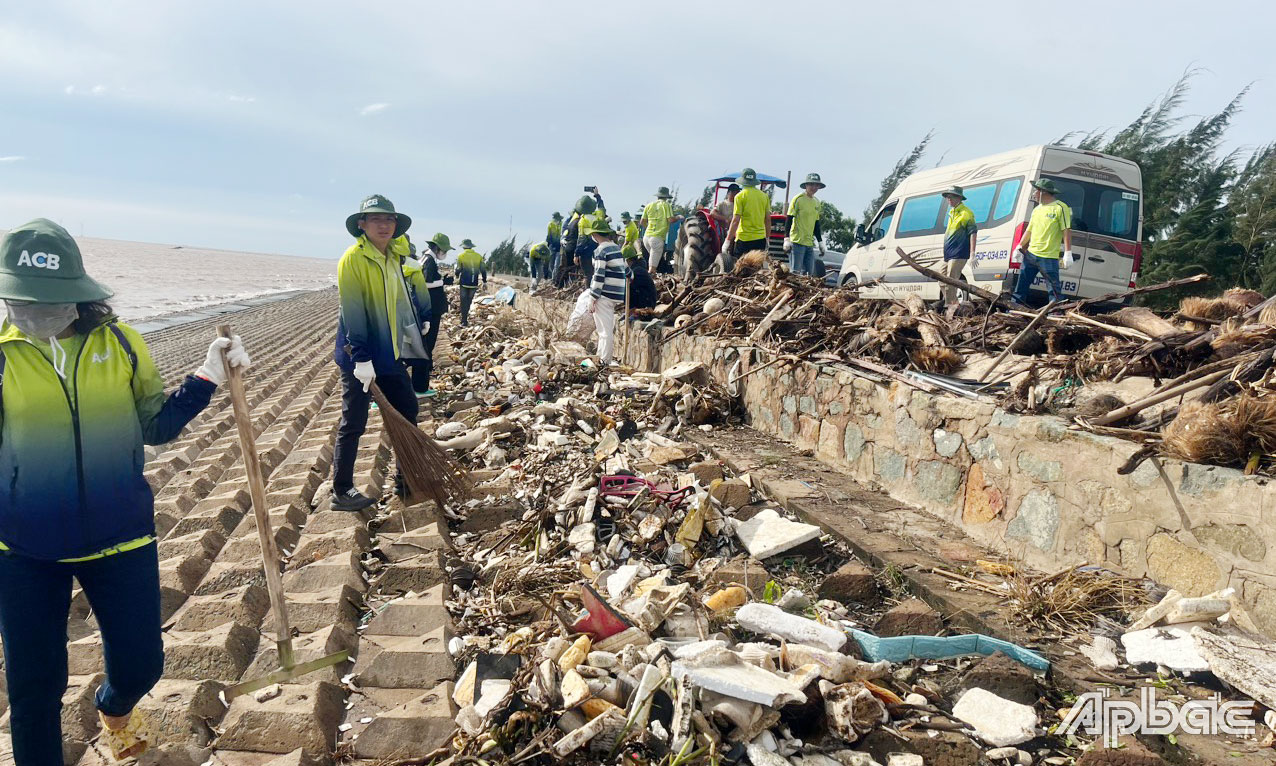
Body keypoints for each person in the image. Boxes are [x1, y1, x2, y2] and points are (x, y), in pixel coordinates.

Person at [0, 218, 250, 762]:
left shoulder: (122, 344)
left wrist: (207, 376)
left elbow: (155, 426)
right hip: (24, 549)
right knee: (33, 690)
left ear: (77, 295)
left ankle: (115, 704)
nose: (35, 311)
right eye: (23, 299)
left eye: (48, 298)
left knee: (143, 664)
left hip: (120, 535)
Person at [332, 194, 428, 512]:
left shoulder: (391, 258)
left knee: (407, 410)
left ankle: (406, 478)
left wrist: (416, 326)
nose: (383, 225)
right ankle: (342, 490)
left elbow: (399, 303)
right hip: (358, 355)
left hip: (388, 356)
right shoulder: (353, 259)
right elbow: (354, 312)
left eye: (388, 220)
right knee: (354, 422)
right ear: (362, 224)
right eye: (375, 219)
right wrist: (360, 358)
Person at [1011, 179, 1072, 306]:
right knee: (1021, 286)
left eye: (1036, 190)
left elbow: (1066, 230)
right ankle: (1014, 309)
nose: (1034, 193)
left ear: (1043, 191)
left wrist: (1068, 252)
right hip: (1031, 254)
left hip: (1048, 256)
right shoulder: (1037, 209)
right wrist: (1019, 246)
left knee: (1054, 289)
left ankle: (1056, 313)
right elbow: (1029, 230)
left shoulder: (1060, 207)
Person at [583, 218, 629, 365]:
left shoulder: (600, 251)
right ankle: (601, 358)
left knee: (604, 331)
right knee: (605, 329)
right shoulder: (616, 248)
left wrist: (592, 297)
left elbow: (599, 274)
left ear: (595, 235)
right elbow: (628, 271)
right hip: (616, 295)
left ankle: (604, 361)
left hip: (603, 294)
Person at [398, 236, 435, 397]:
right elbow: (422, 296)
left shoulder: (378, 264)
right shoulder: (414, 267)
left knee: (390, 357)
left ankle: (382, 396)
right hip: (411, 318)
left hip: (387, 320)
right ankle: (419, 389)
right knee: (420, 356)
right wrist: (426, 318)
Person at [416, 232, 452, 397]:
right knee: (426, 346)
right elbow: (426, 283)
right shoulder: (428, 260)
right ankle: (420, 387)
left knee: (425, 346)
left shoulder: (425, 259)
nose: (444, 254)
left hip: (429, 308)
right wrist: (444, 281)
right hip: (432, 309)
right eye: (444, 250)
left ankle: (421, 383)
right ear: (438, 248)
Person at [722, 167, 770, 271]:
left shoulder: (740, 196)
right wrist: (767, 238)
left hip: (744, 239)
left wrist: (727, 241)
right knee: (757, 271)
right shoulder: (764, 196)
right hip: (760, 239)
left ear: (743, 181)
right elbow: (767, 219)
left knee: (741, 270)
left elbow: (735, 220)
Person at [940, 186, 979, 311]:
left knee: (951, 280)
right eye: (947, 197)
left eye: (951, 197)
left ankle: (951, 306)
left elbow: (973, 232)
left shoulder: (966, 213)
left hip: (958, 253)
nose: (948, 199)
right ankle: (953, 303)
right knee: (941, 278)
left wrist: (972, 253)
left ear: (959, 198)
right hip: (948, 254)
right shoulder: (952, 212)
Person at [785, 173, 826, 276]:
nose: (814, 187)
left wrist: (820, 242)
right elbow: (789, 219)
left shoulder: (816, 202)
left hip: (809, 243)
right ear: (806, 185)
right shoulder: (798, 199)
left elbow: (816, 223)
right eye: (811, 184)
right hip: (797, 241)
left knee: (809, 273)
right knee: (795, 272)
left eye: (816, 185)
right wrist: (786, 239)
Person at [640, 186, 678, 273]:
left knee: (653, 259)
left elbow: (642, 222)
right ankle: (651, 280)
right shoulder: (666, 205)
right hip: (657, 238)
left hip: (646, 237)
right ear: (666, 197)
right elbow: (671, 220)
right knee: (652, 268)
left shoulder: (649, 205)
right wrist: (678, 217)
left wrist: (649, 228)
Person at [573, 189, 607, 284]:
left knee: (588, 274)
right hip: (600, 247)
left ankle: (589, 293)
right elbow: (602, 207)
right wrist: (597, 196)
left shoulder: (583, 221)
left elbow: (581, 239)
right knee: (599, 272)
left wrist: (576, 254)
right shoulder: (598, 215)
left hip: (587, 251)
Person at [456, 238, 487, 326]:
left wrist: (456, 275)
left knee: (463, 301)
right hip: (474, 283)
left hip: (464, 282)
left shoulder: (461, 256)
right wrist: (484, 281)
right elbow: (483, 270)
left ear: (463, 247)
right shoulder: (478, 256)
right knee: (469, 301)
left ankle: (464, 320)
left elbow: (459, 268)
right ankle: (465, 318)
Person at [624, 240, 659, 311]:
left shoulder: (637, 271)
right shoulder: (637, 268)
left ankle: (632, 310)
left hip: (647, 303)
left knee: (626, 288)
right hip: (646, 300)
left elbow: (628, 287)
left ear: (628, 260)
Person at [547, 211, 563, 277]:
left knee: (557, 264)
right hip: (552, 245)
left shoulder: (562, 224)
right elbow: (548, 235)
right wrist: (549, 245)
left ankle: (554, 278)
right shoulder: (550, 224)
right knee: (551, 263)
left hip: (560, 246)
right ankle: (553, 275)